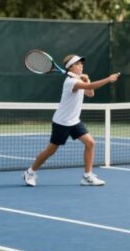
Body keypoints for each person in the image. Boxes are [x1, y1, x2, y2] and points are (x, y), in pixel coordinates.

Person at [23, 54, 121, 187]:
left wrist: (87, 80)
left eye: (82, 63)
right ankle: (30, 172)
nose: (81, 66)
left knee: (90, 143)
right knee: (51, 150)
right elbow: (90, 87)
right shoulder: (71, 82)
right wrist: (108, 79)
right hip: (62, 122)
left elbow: (90, 93)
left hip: (74, 121)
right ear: (71, 67)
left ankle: (87, 176)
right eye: (78, 64)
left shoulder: (77, 79)